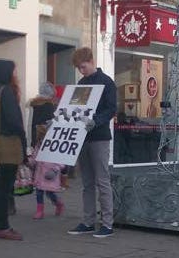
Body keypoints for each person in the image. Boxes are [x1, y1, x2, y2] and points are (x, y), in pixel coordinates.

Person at [67, 47, 116, 238]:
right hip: (83, 137)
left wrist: (96, 120)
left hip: (99, 137)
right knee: (87, 183)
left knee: (102, 181)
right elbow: (74, 109)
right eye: (79, 68)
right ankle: (88, 222)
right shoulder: (81, 83)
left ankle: (107, 224)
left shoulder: (106, 82)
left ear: (91, 60)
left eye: (83, 66)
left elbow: (112, 108)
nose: (82, 70)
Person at [0, 59, 27, 241]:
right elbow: (13, 121)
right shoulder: (7, 91)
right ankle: (3, 226)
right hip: (8, 143)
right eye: (12, 71)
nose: (14, 74)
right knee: (4, 187)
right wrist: (23, 138)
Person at [28, 125, 65, 219]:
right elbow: (35, 157)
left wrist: (56, 169)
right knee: (39, 192)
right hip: (40, 173)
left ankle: (58, 203)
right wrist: (30, 162)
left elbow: (61, 160)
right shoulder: (39, 145)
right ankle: (40, 211)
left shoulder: (55, 146)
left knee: (49, 192)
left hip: (50, 173)